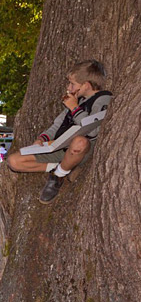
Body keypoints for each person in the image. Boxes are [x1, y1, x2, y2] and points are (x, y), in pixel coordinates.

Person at [7, 60, 112, 203]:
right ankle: (62, 167)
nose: (69, 88)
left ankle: (58, 176)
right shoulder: (77, 100)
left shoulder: (103, 98)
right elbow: (57, 125)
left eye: (72, 84)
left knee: (79, 142)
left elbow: (93, 131)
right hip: (59, 146)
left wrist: (74, 108)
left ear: (86, 85)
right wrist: (42, 139)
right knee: (14, 161)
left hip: (80, 148)